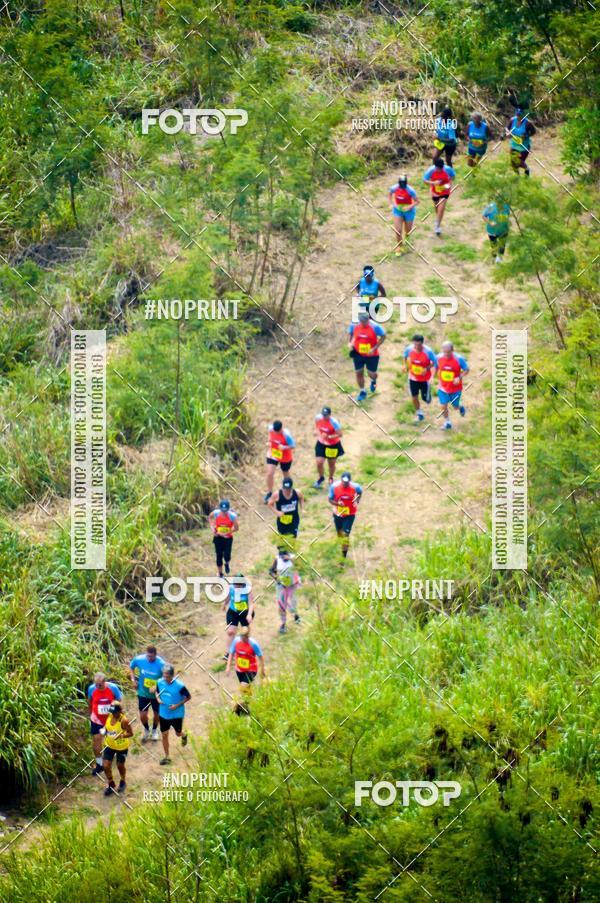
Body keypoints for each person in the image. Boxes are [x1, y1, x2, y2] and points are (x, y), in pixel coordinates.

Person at [87, 673, 122, 776]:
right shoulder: (91, 689)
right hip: (97, 719)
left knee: (111, 738)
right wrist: (91, 714)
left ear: (104, 682)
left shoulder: (113, 688)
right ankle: (99, 764)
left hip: (110, 719)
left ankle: (114, 754)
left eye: (100, 685)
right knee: (97, 739)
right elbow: (89, 701)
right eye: (96, 684)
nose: (98, 687)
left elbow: (119, 701)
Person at [155, 664, 191, 765]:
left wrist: (176, 705)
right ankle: (167, 757)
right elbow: (156, 692)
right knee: (164, 735)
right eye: (164, 676)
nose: (165, 678)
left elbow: (188, 697)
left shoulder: (179, 685)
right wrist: (158, 699)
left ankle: (184, 735)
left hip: (177, 715)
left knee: (178, 734)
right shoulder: (159, 682)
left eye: (167, 676)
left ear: (172, 675)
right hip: (163, 714)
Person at [129, 644, 166, 742]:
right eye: (148, 656)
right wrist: (133, 680)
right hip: (143, 693)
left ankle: (154, 730)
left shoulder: (161, 664)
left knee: (157, 715)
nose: (149, 658)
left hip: (156, 695)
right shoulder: (139, 659)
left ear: (155, 655)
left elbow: (167, 678)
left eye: (151, 656)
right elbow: (131, 667)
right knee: (142, 715)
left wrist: (158, 686)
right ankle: (146, 729)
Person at [348, 310, 386, 402]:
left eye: (365, 321)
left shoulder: (375, 327)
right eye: (361, 321)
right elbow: (350, 333)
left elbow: (383, 336)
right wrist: (349, 343)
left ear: (368, 319)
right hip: (358, 353)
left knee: (371, 374)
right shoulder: (354, 325)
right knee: (358, 373)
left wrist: (374, 348)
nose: (363, 323)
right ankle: (362, 391)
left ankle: (373, 381)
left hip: (372, 355)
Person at [226, 626, 265, 715]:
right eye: (242, 636)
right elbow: (231, 653)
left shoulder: (253, 644)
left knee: (243, 687)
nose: (244, 638)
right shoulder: (236, 641)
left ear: (248, 636)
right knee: (246, 689)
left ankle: (238, 709)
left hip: (251, 669)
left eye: (246, 636)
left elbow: (261, 657)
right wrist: (228, 667)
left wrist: (262, 670)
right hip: (239, 669)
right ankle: (248, 707)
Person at [101, 701, 133, 797]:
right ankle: (111, 784)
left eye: (114, 712)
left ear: (119, 711)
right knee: (106, 765)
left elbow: (131, 733)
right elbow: (107, 727)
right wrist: (105, 731)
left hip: (121, 747)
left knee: (120, 765)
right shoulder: (110, 716)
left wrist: (121, 735)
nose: (112, 713)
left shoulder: (124, 721)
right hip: (109, 745)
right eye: (111, 711)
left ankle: (123, 781)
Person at [403, 334, 438, 422]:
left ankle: (427, 395)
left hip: (425, 379)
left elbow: (435, 362)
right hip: (413, 377)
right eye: (414, 344)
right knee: (414, 396)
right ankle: (419, 413)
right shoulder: (409, 349)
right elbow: (405, 356)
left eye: (418, 345)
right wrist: (405, 366)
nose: (416, 347)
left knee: (425, 399)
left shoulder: (428, 352)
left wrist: (427, 369)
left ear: (422, 343)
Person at [328, 471, 363, 558]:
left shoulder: (355, 487)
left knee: (345, 535)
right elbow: (330, 499)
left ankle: (343, 558)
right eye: (343, 481)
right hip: (338, 514)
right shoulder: (334, 487)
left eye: (347, 482)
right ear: (341, 480)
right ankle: (343, 547)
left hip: (350, 514)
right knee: (340, 534)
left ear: (350, 481)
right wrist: (337, 504)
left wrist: (357, 500)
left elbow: (360, 492)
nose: (345, 483)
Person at [436, 341, 469, 430]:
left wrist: (459, 377)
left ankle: (460, 407)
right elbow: (435, 366)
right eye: (444, 352)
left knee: (455, 406)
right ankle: (447, 422)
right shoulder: (438, 357)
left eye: (448, 352)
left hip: (455, 388)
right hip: (443, 388)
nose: (446, 354)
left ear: (452, 350)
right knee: (443, 405)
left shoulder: (459, 359)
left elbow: (466, 369)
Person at [269, 547, 301, 633]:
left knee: (293, 602)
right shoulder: (277, 559)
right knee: (282, 605)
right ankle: (283, 624)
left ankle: (296, 616)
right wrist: (277, 579)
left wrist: (290, 559)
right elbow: (271, 571)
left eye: (285, 556)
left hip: (292, 585)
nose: (283, 558)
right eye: (281, 556)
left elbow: (301, 567)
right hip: (281, 586)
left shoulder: (293, 558)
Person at [222, 573, 255, 658]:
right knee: (230, 632)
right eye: (235, 584)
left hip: (245, 613)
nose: (236, 586)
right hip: (233, 612)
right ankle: (228, 654)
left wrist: (249, 615)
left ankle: (246, 649)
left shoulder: (248, 590)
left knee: (245, 632)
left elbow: (251, 604)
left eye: (238, 585)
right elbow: (228, 597)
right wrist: (224, 604)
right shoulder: (231, 588)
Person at [264, 420, 295, 503]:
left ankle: (289, 492)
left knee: (285, 473)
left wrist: (284, 447)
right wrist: (269, 443)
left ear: (282, 428)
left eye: (278, 431)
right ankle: (269, 493)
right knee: (270, 473)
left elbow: (293, 445)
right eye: (275, 431)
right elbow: (270, 437)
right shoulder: (271, 429)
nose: (276, 433)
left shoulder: (286, 435)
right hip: (274, 454)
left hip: (285, 457)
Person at [314, 406, 345, 488]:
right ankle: (321, 478)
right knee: (319, 462)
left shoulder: (334, 422)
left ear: (330, 415)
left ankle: (330, 478)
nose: (324, 417)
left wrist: (329, 437)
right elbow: (317, 427)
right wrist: (319, 434)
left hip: (333, 445)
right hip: (321, 443)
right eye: (323, 415)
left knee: (331, 464)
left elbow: (340, 434)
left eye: (326, 415)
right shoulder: (318, 418)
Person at [387, 174, 419, 255]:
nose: (402, 187)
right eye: (401, 185)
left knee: (408, 231)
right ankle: (399, 247)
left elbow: (417, 201)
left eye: (403, 185)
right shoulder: (394, 188)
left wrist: (409, 207)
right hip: (398, 210)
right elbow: (390, 194)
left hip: (409, 211)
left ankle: (407, 241)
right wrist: (392, 203)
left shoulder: (410, 190)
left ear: (406, 183)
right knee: (398, 230)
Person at [423, 158, 455, 236]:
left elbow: (453, 176)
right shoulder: (431, 170)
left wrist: (449, 184)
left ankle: (437, 226)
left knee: (441, 208)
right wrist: (433, 183)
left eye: (441, 168)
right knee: (437, 207)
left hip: (445, 191)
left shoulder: (448, 169)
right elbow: (424, 180)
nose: (440, 170)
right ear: (435, 166)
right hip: (435, 191)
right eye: (438, 168)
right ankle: (438, 219)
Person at [208, 499, 239, 576]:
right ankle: (220, 573)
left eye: (225, 511)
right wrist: (212, 528)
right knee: (219, 556)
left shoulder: (232, 516)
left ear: (228, 509)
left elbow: (236, 528)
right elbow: (210, 517)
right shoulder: (216, 513)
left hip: (228, 538)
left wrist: (226, 532)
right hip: (218, 538)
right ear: (220, 508)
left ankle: (227, 564)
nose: (224, 512)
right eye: (222, 510)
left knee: (227, 555)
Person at [268, 476, 303, 542]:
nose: (286, 491)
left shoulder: (297, 493)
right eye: (285, 489)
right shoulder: (277, 494)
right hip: (282, 520)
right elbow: (269, 504)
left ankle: (291, 550)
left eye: (288, 489)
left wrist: (302, 508)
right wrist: (277, 512)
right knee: (282, 538)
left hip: (294, 519)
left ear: (291, 488)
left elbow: (301, 498)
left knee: (292, 537)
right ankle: (282, 551)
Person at [506, 108, 536, 176]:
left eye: (520, 115)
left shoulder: (528, 123)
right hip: (514, 145)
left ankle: (527, 169)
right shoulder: (512, 120)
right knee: (513, 162)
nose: (519, 117)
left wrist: (526, 135)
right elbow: (507, 129)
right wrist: (507, 134)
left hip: (524, 146)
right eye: (518, 115)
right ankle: (517, 177)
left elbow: (533, 132)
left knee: (519, 162)